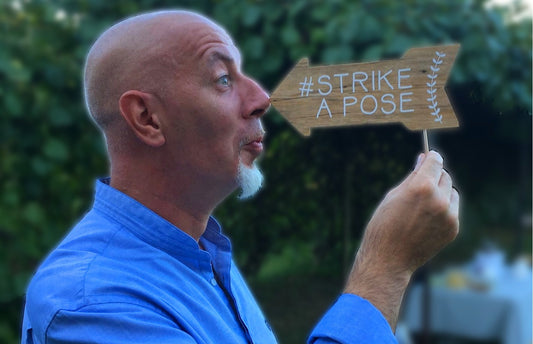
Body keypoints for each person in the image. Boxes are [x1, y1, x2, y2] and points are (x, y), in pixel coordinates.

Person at [21, 10, 459, 344]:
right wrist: (386, 268)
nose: (261, 99)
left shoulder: (200, 252)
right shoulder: (94, 302)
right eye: (223, 79)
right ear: (147, 118)